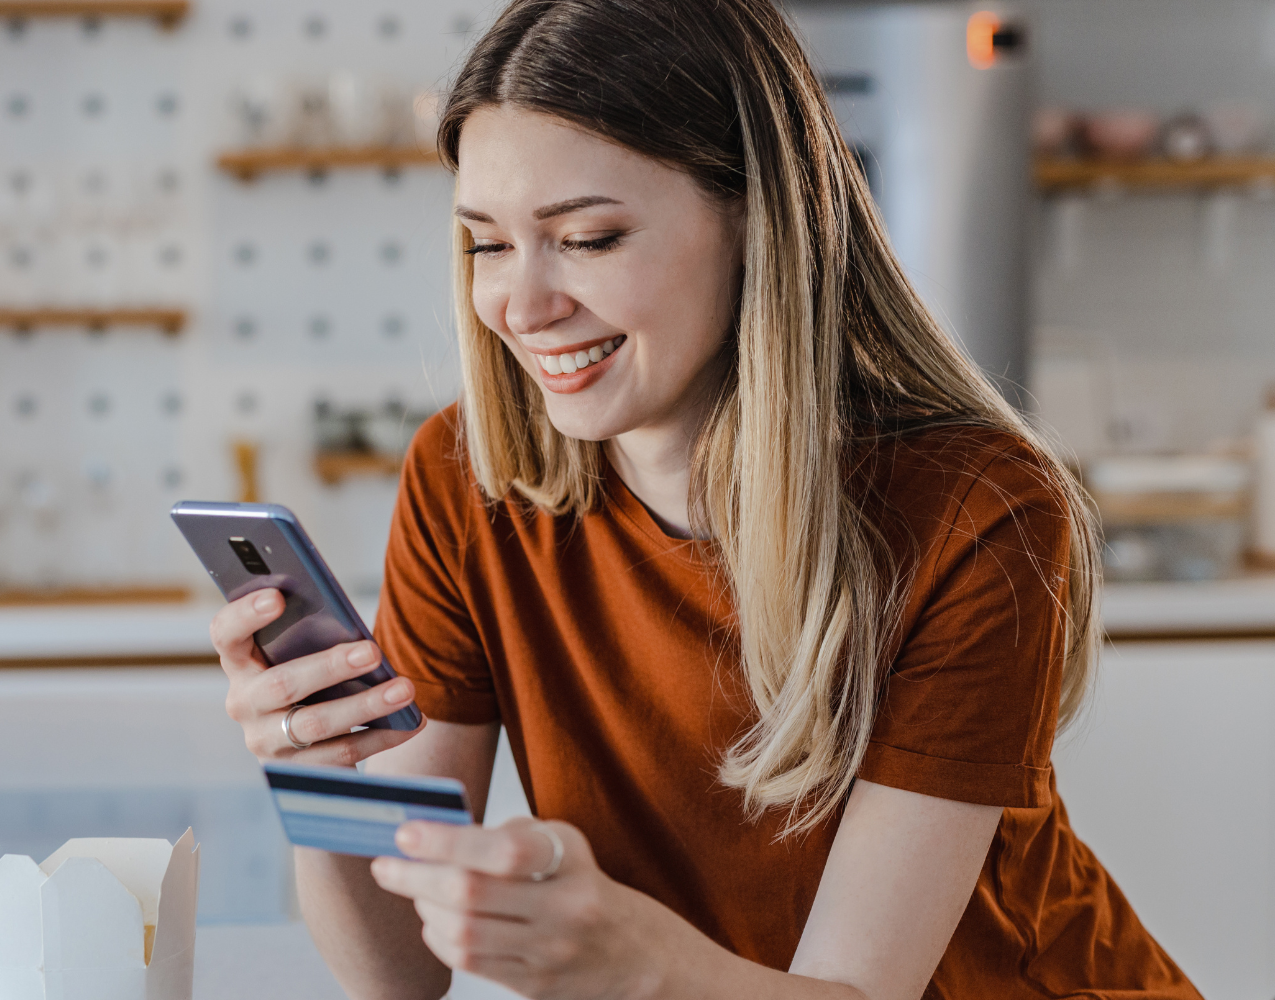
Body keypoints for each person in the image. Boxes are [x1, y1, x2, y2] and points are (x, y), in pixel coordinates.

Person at [209, 1, 1201, 997]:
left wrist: (631, 961)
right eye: (487, 245)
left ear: (752, 219)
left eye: (589, 239)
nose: (521, 303)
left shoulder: (972, 511)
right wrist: (321, 773)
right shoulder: (467, 481)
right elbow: (397, 977)